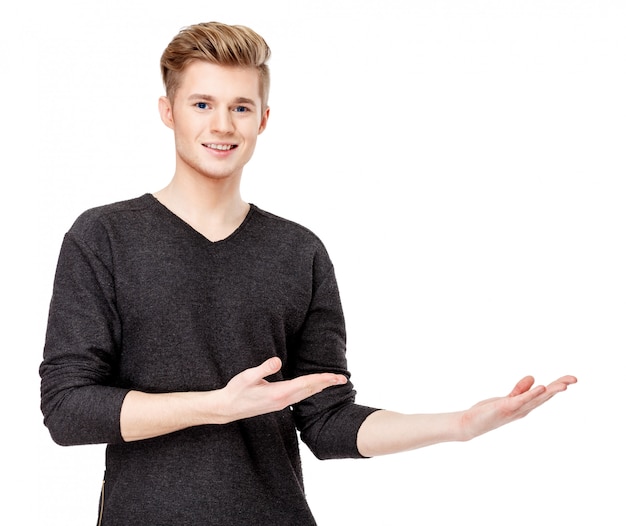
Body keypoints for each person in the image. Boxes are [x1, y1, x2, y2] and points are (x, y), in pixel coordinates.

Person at [39, 21, 577, 526]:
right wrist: (218, 407)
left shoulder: (298, 251)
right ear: (168, 110)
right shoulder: (103, 238)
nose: (222, 125)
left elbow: (326, 418)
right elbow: (67, 409)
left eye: (241, 107)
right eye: (202, 103)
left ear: (263, 119)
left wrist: (458, 425)